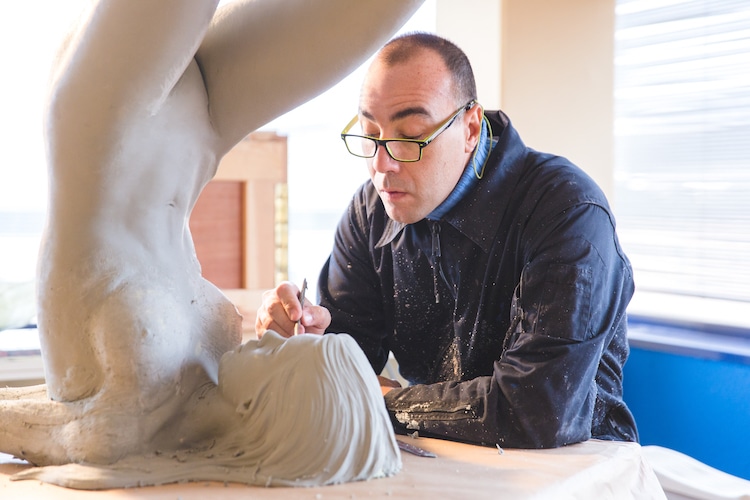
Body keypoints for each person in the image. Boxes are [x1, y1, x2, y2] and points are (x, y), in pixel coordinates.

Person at [0, 0, 422, 479]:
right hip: (195, 134)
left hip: (104, 125)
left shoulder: (122, 430)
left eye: (296, 356)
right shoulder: (208, 382)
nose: (284, 342)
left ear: (276, 402)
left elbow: (27, 423)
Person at [256, 32, 639, 449]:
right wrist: (306, 342)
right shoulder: (371, 212)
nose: (380, 166)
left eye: (409, 136)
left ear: (471, 128)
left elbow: (534, 411)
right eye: (370, 133)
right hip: (445, 458)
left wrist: (379, 397)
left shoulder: (567, 212)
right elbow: (349, 366)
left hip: (578, 472)